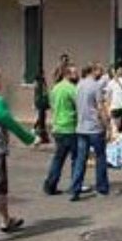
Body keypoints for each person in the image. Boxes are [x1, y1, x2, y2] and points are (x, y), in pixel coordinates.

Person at [0, 66, 38, 241]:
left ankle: (6, 220)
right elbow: (11, 123)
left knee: (0, 189)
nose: (2, 81)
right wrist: (30, 139)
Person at [70, 64, 109, 201]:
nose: (101, 73)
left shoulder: (78, 86)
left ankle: (75, 189)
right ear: (93, 71)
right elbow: (100, 106)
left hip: (81, 127)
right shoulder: (95, 86)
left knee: (81, 159)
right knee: (100, 157)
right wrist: (106, 124)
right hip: (94, 127)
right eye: (99, 70)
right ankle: (101, 187)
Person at [43, 64, 79, 196]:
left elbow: (52, 105)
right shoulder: (71, 89)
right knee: (76, 158)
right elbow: (79, 105)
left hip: (57, 126)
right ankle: (75, 185)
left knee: (58, 158)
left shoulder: (55, 88)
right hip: (70, 127)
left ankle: (50, 185)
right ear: (68, 74)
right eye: (75, 73)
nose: (77, 76)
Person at [33, 72, 50, 144]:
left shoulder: (42, 85)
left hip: (41, 104)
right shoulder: (39, 85)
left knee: (41, 119)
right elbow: (39, 94)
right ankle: (39, 134)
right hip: (40, 104)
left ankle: (42, 136)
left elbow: (45, 94)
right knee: (40, 119)